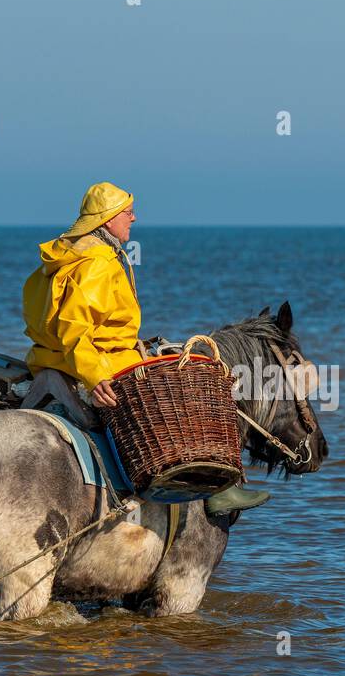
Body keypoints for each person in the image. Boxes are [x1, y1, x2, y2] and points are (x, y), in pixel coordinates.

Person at [21, 181, 268, 515]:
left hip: (52, 358)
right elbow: (74, 328)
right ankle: (215, 492)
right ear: (107, 220)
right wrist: (94, 376)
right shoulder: (96, 264)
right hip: (101, 363)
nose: (133, 219)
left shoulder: (63, 260)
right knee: (184, 395)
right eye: (128, 212)